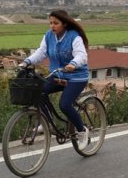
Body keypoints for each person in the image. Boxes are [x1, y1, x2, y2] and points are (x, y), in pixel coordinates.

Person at [22, 10, 90, 147]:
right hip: (58, 74)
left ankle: (82, 130)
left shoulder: (74, 36)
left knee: (64, 104)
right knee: (39, 92)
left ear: (64, 23)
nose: (52, 26)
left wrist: (73, 64)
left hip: (76, 77)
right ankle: (46, 121)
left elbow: (82, 55)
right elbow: (41, 53)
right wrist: (27, 62)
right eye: (50, 23)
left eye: (56, 23)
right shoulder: (48, 36)